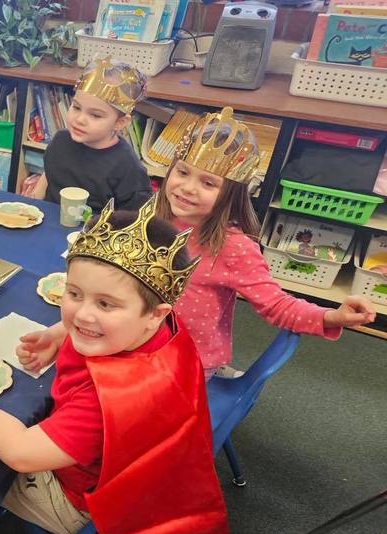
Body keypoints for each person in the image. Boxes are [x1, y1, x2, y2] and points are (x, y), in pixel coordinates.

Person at [0, 197, 231, 534]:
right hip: (123, 472)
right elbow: (90, 319)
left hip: (72, 500)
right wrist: (58, 332)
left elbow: (21, 452)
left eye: (105, 304)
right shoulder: (160, 327)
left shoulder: (109, 403)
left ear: (154, 314)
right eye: (74, 294)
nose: (83, 314)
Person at [153, 107, 375, 375]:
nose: (187, 188)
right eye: (182, 172)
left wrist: (332, 316)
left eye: (208, 183)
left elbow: (276, 304)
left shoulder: (234, 247)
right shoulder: (156, 214)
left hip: (188, 360)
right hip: (140, 340)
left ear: (230, 195)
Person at [20, 56, 151, 212]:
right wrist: (34, 202)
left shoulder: (128, 167)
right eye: (76, 107)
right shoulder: (61, 140)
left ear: (120, 122)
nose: (80, 120)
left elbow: (133, 219)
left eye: (95, 115)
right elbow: (49, 174)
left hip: (94, 233)